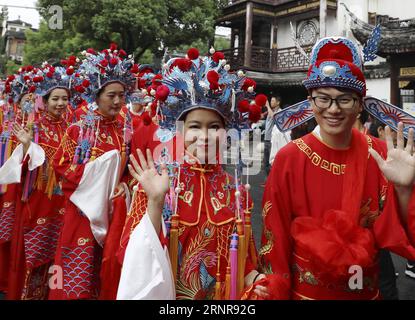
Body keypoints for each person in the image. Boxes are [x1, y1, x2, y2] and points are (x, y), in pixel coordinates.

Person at [260, 36, 415, 299]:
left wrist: (404, 189)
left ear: (360, 105)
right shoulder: (290, 158)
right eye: (323, 99)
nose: (333, 109)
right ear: (310, 102)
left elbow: (398, 237)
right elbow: (275, 238)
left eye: (345, 99)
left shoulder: (381, 154)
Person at [117, 48, 274, 300]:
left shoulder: (236, 192)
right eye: (194, 127)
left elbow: (244, 264)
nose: (204, 137)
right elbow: (128, 257)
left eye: (214, 127)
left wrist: (257, 280)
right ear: (178, 131)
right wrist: (156, 202)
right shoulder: (157, 183)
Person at [49, 44, 138, 300]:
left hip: (114, 212)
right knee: (77, 271)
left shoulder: (124, 129)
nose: (118, 101)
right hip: (81, 213)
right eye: (111, 95)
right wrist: (96, 179)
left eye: (122, 94)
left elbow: (130, 168)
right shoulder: (78, 129)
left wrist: (125, 185)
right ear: (97, 96)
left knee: (105, 268)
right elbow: (62, 163)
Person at [263, 96, 281, 176]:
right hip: (266, 139)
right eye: (270, 101)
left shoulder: (279, 111)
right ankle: (268, 180)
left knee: (271, 162)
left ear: (278, 102)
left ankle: (272, 181)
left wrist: (267, 106)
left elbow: (273, 117)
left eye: (273, 100)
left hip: (272, 140)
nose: (271, 102)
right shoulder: (270, 111)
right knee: (265, 162)